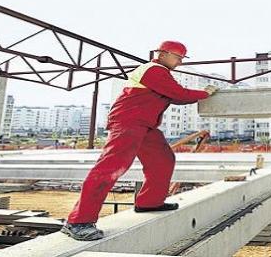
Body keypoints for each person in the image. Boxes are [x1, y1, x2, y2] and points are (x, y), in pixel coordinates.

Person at [61, 41, 218, 241]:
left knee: (163, 159)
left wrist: (199, 95)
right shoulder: (154, 70)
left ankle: (149, 202)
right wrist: (205, 93)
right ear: (162, 54)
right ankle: (78, 221)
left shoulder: (161, 74)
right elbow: (179, 94)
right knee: (110, 168)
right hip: (128, 122)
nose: (180, 62)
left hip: (145, 125)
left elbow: (177, 97)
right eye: (177, 57)